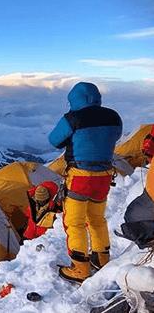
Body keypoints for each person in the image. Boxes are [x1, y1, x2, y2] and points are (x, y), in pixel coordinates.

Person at [48, 82, 122, 283]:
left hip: (80, 177)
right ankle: (102, 258)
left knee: (75, 222)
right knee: (97, 219)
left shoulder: (73, 118)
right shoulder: (114, 117)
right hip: (105, 176)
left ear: (74, 99)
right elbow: (115, 136)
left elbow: (54, 140)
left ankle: (80, 268)